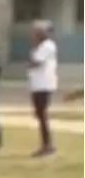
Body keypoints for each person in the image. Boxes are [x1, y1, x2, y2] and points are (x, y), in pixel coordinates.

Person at [27, 20, 58, 158]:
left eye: (36, 32)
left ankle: (48, 146)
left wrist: (31, 61)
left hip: (44, 85)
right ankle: (46, 144)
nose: (33, 35)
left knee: (42, 115)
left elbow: (35, 63)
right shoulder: (40, 46)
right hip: (38, 85)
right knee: (40, 115)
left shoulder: (47, 46)